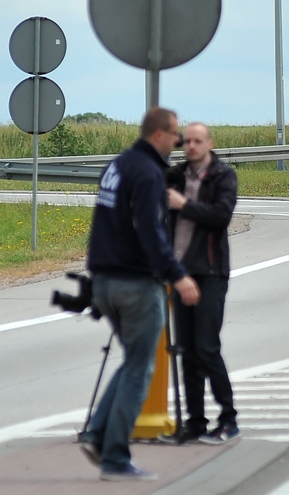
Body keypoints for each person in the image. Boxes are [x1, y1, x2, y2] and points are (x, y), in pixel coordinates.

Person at [79, 107, 200, 482]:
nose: (178, 141)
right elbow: (151, 231)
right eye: (175, 134)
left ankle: (97, 434)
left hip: (103, 280)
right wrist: (177, 276)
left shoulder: (117, 166)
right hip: (135, 282)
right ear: (160, 134)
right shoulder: (148, 173)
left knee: (132, 360)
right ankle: (115, 455)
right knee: (140, 367)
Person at [163, 122, 240, 445]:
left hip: (210, 272)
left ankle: (228, 419)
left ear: (209, 143)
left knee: (207, 347)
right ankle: (195, 422)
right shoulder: (176, 176)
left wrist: (185, 206)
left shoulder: (222, 176)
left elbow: (221, 216)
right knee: (187, 350)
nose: (191, 146)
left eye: (198, 141)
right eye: (187, 141)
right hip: (180, 274)